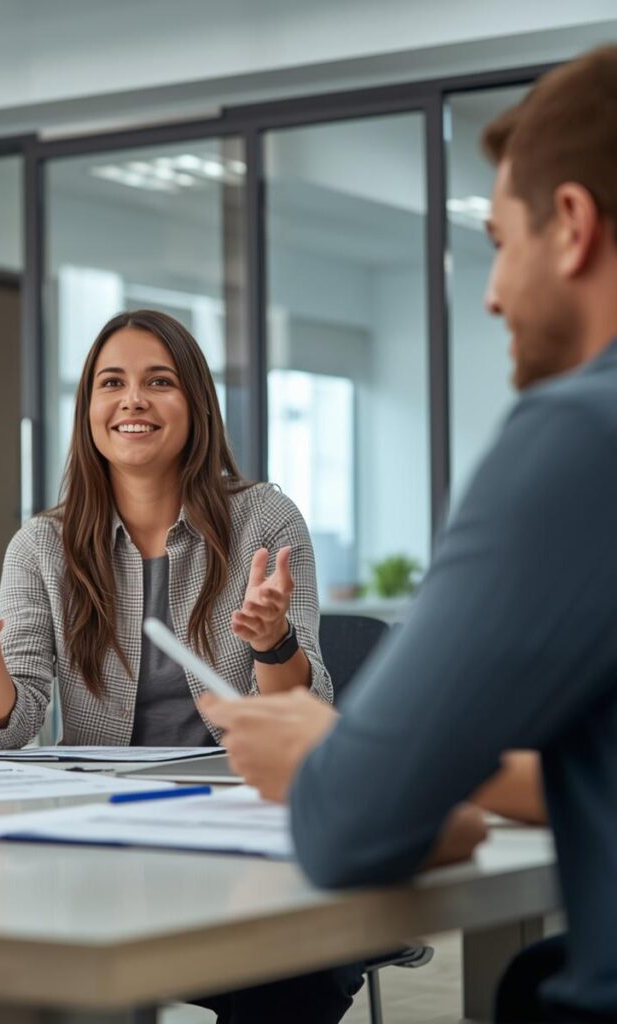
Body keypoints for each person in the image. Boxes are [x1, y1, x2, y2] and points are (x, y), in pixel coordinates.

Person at [201, 44, 617, 1023]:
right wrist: (419, 766)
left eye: (498, 243)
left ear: (570, 226)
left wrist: (334, 753)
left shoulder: (580, 437)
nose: (492, 293)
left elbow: (349, 823)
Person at [0, 309, 361, 1022]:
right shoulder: (42, 544)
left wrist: (272, 640)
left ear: (197, 404)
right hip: (104, 827)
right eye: (112, 383)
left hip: (239, 817)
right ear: (88, 407)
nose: (133, 401)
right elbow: (13, 726)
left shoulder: (265, 520)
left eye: (159, 382)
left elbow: (302, 716)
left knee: (293, 967)